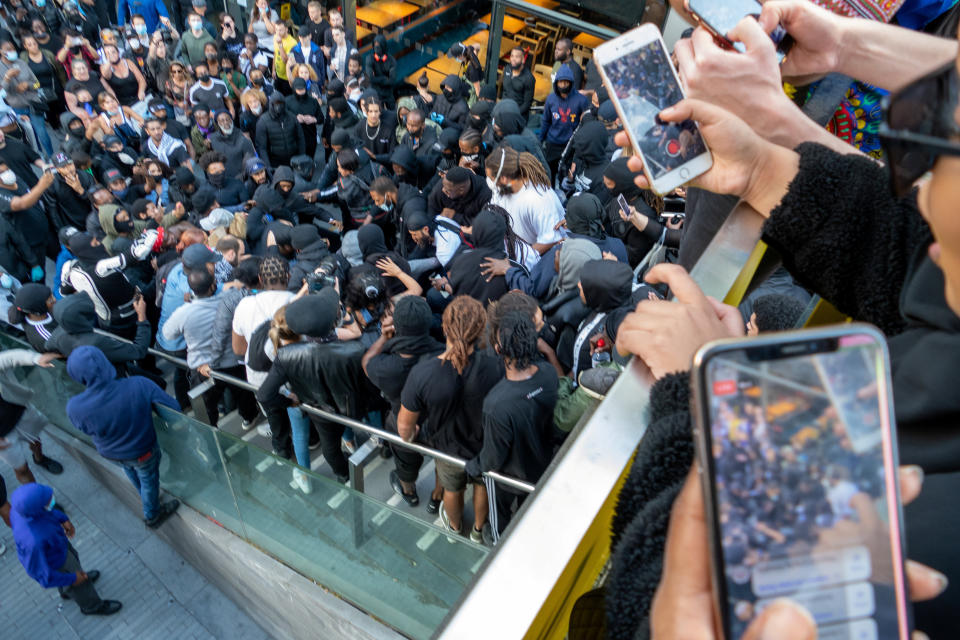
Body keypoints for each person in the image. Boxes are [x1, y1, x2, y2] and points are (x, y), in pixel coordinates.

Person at [399, 296, 502, 540]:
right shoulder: (496, 366)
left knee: (452, 490)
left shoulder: (423, 373)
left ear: (444, 328)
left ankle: (455, 528)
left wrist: (414, 436)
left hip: (446, 450)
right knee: (481, 486)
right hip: (484, 447)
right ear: (480, 331)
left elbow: (404, 428)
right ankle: (478, 530)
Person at [257, 289, 368, 483]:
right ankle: (360, 447)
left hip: (318, 409)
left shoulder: (286, 355)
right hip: (349, 407)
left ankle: (343, 474)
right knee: (339, 439)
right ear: (333, 324)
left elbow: (264, 395)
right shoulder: (353, 350)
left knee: (330, 447)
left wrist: (289, 402)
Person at [466, 310, 558, 537]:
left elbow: (493, 456)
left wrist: (474, 467)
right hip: (541, 466)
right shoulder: (548, 373)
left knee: (500, 518)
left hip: (507, 478)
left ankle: (498, 542)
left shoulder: (496, 404)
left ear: (498, 350)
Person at [66, 345, 181, 528]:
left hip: (111, 454)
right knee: (149, 479)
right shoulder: (138, 384)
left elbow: (86, 430)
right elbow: (174, 410)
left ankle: (143, 494)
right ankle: (152, 514)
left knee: (131, 470)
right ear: (105, 363)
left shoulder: (74, 407)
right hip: (143, 451)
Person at [363, 295, 444, 507]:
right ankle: (437, 498)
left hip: (401, 422)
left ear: (396, 325)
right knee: (443, 462)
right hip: (440, 422)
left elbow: (367, 362)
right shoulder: (444, 354)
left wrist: (383, 338)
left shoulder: (386, 367)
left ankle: (409, 492)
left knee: (406, 462)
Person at [10, 482, 122, 615]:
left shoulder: (21, 511)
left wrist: (63, 519)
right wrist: (73, 579)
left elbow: (46, 513)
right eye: (47, 501)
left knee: (74, 567)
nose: (52, 501)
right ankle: (92, 606)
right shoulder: (33, 542)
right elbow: (44, 577)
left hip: (60, 547)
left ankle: (67, 589)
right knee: (79, 585)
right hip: (58, 563)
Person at [0, 347, 64, 485]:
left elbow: (9, 357)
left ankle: (39, 458)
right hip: (3, 438)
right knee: (21, 469)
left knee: (36, 440)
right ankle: (39, 499)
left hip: (19, 413)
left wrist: (36, 358)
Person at [486, 145, 565, 255]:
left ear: (504, 178)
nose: (489, 181)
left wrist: (521, 260)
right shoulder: (502, 190)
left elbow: (549, 240)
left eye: (491, 178)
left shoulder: (539, 198)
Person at [540, 64, 589, 177]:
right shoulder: (551, 99)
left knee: (566, 176)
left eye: (566, 82)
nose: (563, 85)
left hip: (570, 145)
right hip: (552, 143)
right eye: (560, 82)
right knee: (548, 175)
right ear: (556, 83)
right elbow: (546, 120)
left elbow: (585, 124)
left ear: (571, 83)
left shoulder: (581, 100)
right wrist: (540, 139)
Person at [256, 92, 305, 169]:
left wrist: (302, 157)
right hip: (275, 162)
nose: (278, 106)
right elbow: (262, 147)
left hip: (294, 159)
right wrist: (268, 167)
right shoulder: (263, 121)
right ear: (271, 104)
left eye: (280, 103)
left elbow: (300, 138)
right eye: (276, 103)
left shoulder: (292, 117)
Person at [501, 47, 535, 120]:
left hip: (518, 115)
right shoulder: (507, 69)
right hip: (504, 109)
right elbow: (504, 91)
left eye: (517, 57)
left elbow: (527, 104)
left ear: (523, 60)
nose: (513, 59)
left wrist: (513, 114)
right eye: (512, 56)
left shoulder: (529, 78)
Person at [366, 35, 396, 109]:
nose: (377, 48)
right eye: (375, 46)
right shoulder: (370, 58)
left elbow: (392, 80)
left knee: (393, 113)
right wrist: (384, 78)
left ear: (383, 46)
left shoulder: (391, 60)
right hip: (376, 92)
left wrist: (376, 79)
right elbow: (370, 78)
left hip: (388, 92)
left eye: (379, 46)